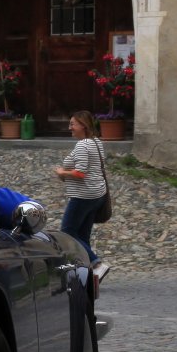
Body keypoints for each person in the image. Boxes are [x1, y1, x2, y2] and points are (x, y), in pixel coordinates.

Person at [54, 110, 109, 277]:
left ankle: (97, 264)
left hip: (83, 196)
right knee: (83, 236)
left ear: (83, 126)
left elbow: (80, 173)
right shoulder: (96, 142)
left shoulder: (82, 145)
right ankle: (88, 272)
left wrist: (62, 172)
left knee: (67, 232)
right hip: (97, 194)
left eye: (72, 124)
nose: (69, 127)